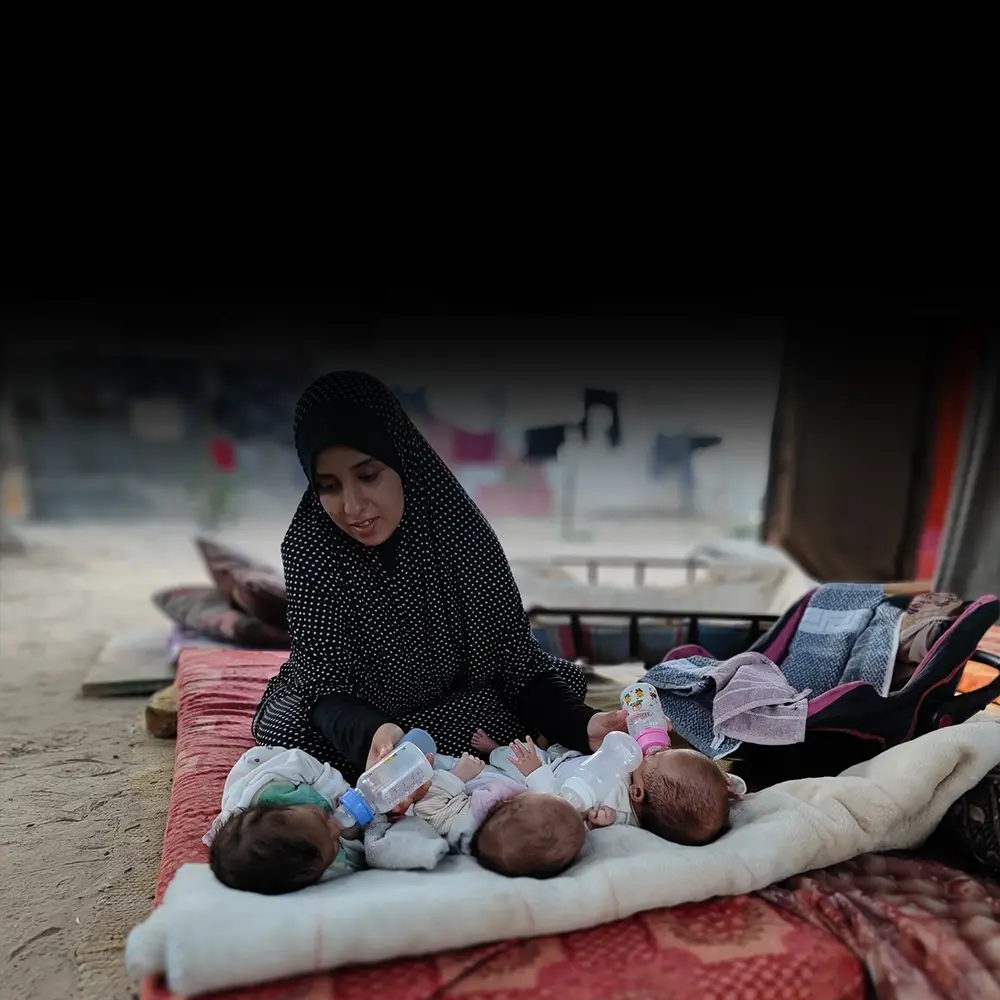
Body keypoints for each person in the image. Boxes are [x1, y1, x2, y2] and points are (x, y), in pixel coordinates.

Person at [252, 371, 628, 787]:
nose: (353, 505)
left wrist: (580, 724)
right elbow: (323, 681)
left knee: (556, 690)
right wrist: (373, 735)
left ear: (399, 457)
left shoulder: (459, 531)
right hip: (356, 709)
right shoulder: (309, 546)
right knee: (286, 735)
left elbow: (514, 657)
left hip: (454, 697)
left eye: (368, 475)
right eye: (329, 486)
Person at [482, 733, 745, 844]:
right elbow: (713, 786)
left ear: (637, 793)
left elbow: (559, 807)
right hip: (569, 760)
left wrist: (535, 772)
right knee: (558, 745)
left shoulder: (612, 809)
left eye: (656, 757)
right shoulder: (641, 780)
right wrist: (725, 784)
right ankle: (543, 744)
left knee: (507, 760)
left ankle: (492, 751)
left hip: (547, 775)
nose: (652, 752)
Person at [205, 746, 364, 895]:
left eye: (320, 818)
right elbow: (355, 863)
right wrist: (351, 837)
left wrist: (336, 789)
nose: (335, 828)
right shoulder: (320, 870)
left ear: (286, 808)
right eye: (334, 843)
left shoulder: (274, 789)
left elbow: (299, 761)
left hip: (266, 765)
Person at [414, 752, 586, 878]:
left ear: (510, 805)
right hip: (485, 773)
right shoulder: (509, 828)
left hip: (451, 773)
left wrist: (458, 775)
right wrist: (590, 822)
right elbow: (560, 829)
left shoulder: (463, 823)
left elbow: (428, 808)